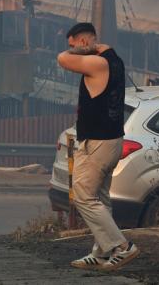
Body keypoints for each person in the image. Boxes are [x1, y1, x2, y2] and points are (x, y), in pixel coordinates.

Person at [56, 22, 139, 272]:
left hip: (98, 141)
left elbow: (62, 59)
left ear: (82, 42)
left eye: (73, 45)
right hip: (110, 140)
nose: (70, 49)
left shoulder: (97, 63)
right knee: (100, 198)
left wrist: (83, 51)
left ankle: (121, 247)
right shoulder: (115, 60)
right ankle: (102, 252)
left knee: (83, 195)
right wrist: (94, 48)